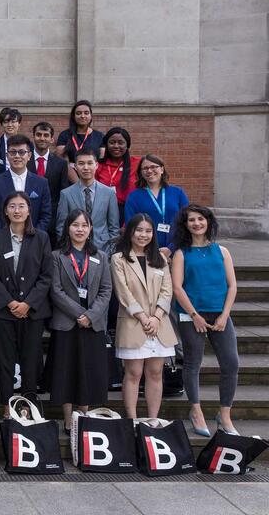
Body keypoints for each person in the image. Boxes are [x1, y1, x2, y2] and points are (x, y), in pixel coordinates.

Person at [171, 205, 240, 436]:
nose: (197, 223)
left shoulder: (222, 251)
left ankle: (224, 415)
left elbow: (232, 285)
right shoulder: (181, 253)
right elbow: (177, 288)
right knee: (193, 363)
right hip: (191, 315)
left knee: (231, 363)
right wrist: (194, 315)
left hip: (220, 314)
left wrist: (225, 315)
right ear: (186, 225)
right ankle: (196, 411)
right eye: (191, 220)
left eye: (201, 219)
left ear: (208, 222)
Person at [0, 191, 53, 413]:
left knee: (30, 360)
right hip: (4, 311)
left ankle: (28, 407)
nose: (17, 210)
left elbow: (46, 276)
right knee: (5, 360)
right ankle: (7, 407)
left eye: (21, 206)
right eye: (12, 206)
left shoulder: (41, 238)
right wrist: (10, 303)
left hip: (33, 311)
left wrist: (28, 303)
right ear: (5, 211)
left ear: (29, 210)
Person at [46, 210, 113, 430]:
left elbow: (106, 290)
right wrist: (79, 314)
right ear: (68, 228)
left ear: (91, 229)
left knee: (87, 372)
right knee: (66, 372)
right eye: (75, 225)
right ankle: (68, 419)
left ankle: (83, 416)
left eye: (84, 225)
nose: (80, 229)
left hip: (92, 325)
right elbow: (55, 291)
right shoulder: (57, 256)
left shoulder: (100, 256)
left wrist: (90, 316)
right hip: (66, 323)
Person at [111, 213, 177, 420]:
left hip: (159, 324)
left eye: (148, 231)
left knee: (155, 373)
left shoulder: (160, 259)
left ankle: (152, 419)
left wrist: (156, 317)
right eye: (139, 230)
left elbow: (167, 290)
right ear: (130, 232)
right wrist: (143, 317)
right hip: (133, 323)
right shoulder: (119, 259)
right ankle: (131, 420)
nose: (143, 235)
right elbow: (123, 292)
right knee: (133, 373)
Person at [55, 149, 120, 253]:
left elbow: (114, 228)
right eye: (81, 163)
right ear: (75, 166)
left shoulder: (109, 193)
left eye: (90, 163)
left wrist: (111, 252)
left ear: (96, 165)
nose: (86, 167)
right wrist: (67, 250)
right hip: (74, 250)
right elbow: (61, 227)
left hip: (103, 249)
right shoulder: (66, 194)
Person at [0, 134, 52, 233]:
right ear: (7, 156)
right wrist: (2, 236)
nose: (17, 156)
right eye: (13, 152)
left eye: (21, 152)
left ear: (29, 156)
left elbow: (46, 215)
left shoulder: (41, 183)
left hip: (34, 237)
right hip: (4, 238)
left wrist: (35, 236)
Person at [124, 154, 189, 255]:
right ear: (141, 172)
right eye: (145, 168)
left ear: (162, 169)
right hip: (146, 251)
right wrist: (148, 250)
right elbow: (131, 226)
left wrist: (171, 248)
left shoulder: (178, 192)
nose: (149, 171)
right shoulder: (134, 197)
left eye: (153, 167)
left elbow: (187, 221)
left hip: (177, 250)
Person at [28, 121, 71, 242]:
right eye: (38, 135)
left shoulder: (61, 163)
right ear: (33, 137)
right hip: (27, 217)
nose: (42, 138)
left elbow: (62, 193)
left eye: (46, 135)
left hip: (52, 220)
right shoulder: (24, 161)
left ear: (52, 139)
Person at [96, 127, 141, 220]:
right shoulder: (98, 165)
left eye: (121, 143)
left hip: (130, 210)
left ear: (127, 145)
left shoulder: (137, 163)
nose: (116, 146)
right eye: (112, 142)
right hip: (103, 211)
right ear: (106, 145)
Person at [56, 100, 104, 166]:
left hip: (94, 171)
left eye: (86, 113)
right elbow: (62, 161)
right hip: (70, 171)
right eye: (78, 113)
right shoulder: (64, 135)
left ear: (91, 116)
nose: (82, 116)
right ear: (74, 116)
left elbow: (102, 160)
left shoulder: (99, 136)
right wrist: (75, 173)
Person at [0, 108, 22, 176]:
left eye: (13, 122)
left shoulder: (27, 145)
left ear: (19, 123)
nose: (10, 125)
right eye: (6, 122)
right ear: (2, 124)